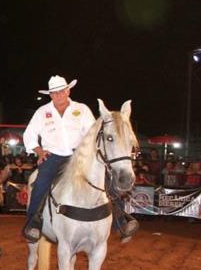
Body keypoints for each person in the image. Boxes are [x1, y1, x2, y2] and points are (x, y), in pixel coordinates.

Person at [21, 75, 138, 243]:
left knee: (106, 180)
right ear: (50, 95)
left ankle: (121, 222)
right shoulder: (42, 112)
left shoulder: (81, 109)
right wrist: (39, 151)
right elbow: (29, 134)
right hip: (52, 156)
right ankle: (33, 223)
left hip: (79, 156)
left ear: (68, 90)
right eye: (54, 93)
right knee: (40, 184)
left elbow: (91, 133)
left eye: (61, 91)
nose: (58, 95)